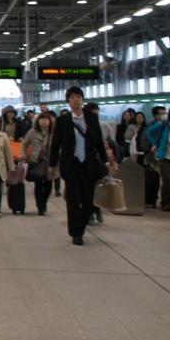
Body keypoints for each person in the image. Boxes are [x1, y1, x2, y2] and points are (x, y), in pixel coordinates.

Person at [49, 86, 115, 245]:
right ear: (68, 101)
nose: (75, 100)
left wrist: (106, 161)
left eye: (78, 96)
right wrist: (52, 164)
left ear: (82, 99)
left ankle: (82, 225)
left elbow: (99, 141)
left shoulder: (91, 119)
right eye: (72, 97)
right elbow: (56, 144)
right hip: (71, 165)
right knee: (72, 200)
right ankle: (76, 233)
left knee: (88, 200)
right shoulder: (63, 120)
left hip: (89, 165)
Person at [145, 103, 170, 212]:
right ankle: (165, 203)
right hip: (165, 156)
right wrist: (154, 144)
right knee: (168, 179)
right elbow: (149, 132)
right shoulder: (164, 124)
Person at [23, 113, 55, 215]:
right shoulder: (33, 132)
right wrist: (23, 154)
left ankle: (44, 202)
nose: (44, 121)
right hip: (36, 161)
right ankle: (40, 207)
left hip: (50, 162)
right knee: (38, 184)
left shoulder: (54, 133)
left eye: (46, 120)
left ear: (50, 121)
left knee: (48, 185)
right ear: (38, 121)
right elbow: (25, 143)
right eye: (42, 120)